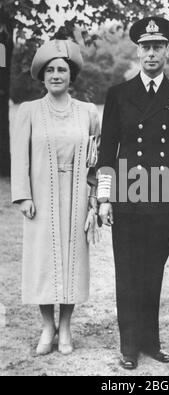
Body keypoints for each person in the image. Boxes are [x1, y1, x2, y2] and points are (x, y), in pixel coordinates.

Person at [97, 16, 169, 370]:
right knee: (127, 271)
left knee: (154, 270)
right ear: (138, 51)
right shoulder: (118, 95)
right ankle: (128, 345)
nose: (151, 53)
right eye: (146, 47)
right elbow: (107, 149)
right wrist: (104, 198)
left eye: (158, 47)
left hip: (162, 197)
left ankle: (151, 342)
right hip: (127, 196)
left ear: (167, 51)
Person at [10, 38, 100, 356]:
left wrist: (95, 199)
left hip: (76, 196)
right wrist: (23, 196)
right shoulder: (29, 111)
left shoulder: (87, 112)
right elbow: (18, 155)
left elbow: (96, 159)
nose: (56, 75)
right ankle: (48, 327)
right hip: (41, 197)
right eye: (50, 70)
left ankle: (66, 328)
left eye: (62, 69)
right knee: (44, 262)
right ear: (43, 75)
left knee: (73, 260)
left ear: (71, 75)